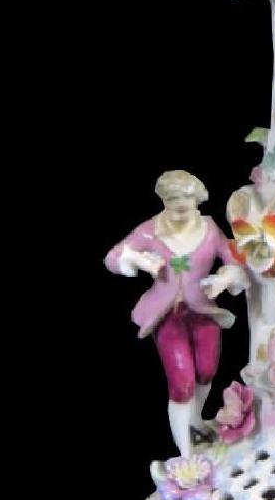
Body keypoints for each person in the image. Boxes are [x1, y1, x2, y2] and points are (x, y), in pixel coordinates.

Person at [105, 170, 247, 456]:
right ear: (163, 200)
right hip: (168, 315)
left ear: (198, 199)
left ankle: (194, 420)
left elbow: (235, 261)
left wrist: (224, 279)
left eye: (186, 198)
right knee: (182, 382)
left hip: (203, 310)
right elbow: (113, 257)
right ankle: (185, 451)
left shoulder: (209, 229)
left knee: (206, 370)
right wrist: (137, 259)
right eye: (172, 199)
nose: (180, 205)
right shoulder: (151, 230)